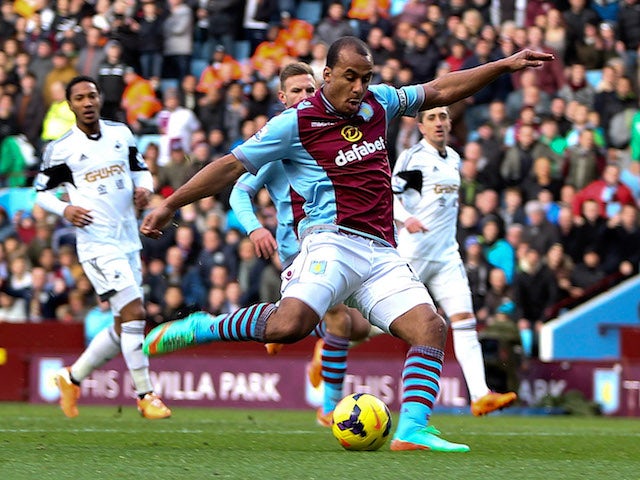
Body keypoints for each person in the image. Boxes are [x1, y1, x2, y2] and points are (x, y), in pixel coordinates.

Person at [140, 37, 552, 452]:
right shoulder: (296, 122)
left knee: (430, 328)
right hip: (330, 242)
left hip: (382, 251)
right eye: (351, 78)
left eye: (366, 78)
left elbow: (441, 89)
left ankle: (411, 428)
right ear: (328, 75)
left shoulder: (381, 102)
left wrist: (504, 65)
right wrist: (169, 203)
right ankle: (203, 326)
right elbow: (230, 166)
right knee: (289, 327)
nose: (359, 88)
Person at [228, 62, 371, 426]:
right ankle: (331, 408)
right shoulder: (278, 141)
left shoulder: (326, 131)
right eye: (297, 91)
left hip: (336, 243)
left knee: (361, 328)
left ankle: (311, 336)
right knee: (339, 320)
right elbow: (239, 192)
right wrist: (254, 229)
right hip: (299, 250)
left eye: (310, 90)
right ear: (282, 97)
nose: (306, 96)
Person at [33, 75, 171, 420]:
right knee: (136, 313)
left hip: (128, 239)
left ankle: (71, 376)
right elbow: (41, 193)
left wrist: (144, 189)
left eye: (91, 96)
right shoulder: (61, 148)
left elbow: (141, 170)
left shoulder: (121, 134)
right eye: (79, 98)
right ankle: (145, 394)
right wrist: (64, 208)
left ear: (100, 98)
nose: (87, 102)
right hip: (96, 243)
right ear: (70, 106)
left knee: (123, 323)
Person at [392, 106, 517, 416]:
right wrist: (406, 219)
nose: (438, 123)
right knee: (381, 322)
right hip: (414, 252)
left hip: (447, 256)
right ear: (420, 126)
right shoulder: (414, 157)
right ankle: (332, 340)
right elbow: (388, 194)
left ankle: (480, 395)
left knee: (464, 321)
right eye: (431, 118)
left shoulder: (454, 159)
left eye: (443, 117)